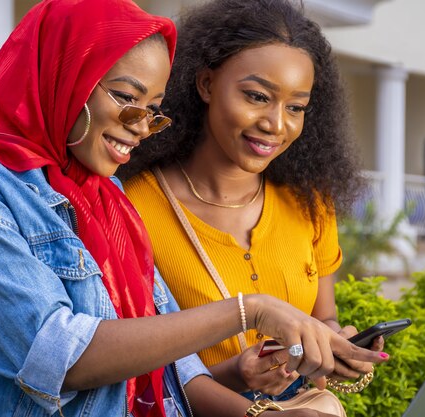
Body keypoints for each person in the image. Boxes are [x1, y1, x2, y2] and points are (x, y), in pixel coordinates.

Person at [0, 0, 388, 416]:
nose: (141, 126)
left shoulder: (103, 197)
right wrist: (251, 310)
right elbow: (61, 356)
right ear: (63, 73)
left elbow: (169, 371)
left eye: (153, 108)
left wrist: (257, 404)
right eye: (125, 97)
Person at [121, 0, 384, 401]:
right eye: (258, 96)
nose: (276, 124)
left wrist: (334, 346)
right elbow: (128, 382)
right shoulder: (133, 206)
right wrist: (236, 374)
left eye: (295, 107)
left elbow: (323, 317)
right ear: (206, 84)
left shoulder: (310, 203)